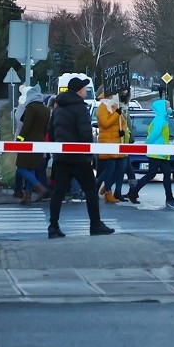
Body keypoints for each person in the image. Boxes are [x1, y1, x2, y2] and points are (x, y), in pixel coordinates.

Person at [47, 77, 115, 238]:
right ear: (79, 91)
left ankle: (53, 227)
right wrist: (89, 152)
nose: (85, 92)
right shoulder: (80, 108)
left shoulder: (57, 108)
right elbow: (85, 134)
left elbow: (51, 132)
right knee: (91, 190)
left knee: (58, 192)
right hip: (79, 158)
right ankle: (95, 225)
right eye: (84, 89)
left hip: (61, 158)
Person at [127, 99, 174, 205]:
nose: (170, 108)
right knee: (152, 174)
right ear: (162, 108)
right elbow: (153, 135)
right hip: (157, 153)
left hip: (162, 153)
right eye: (168, 106)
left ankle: (169, 197)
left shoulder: (163, 119)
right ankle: (133, 192)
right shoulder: (160, 120)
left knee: (165, 174)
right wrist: (148, 144)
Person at [14, 85, 51, 205]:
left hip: (28, 142)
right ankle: (27, 196)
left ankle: (39, 186)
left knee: (21, 167)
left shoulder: (30, 108)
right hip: (40, 142)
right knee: (32, 168)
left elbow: (26, 127)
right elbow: (46, 128)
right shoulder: (46, 109)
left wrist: (19, 140)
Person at [95, 91, 128, 204]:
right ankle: (107, 191)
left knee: (121, 167)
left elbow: (123, 122)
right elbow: (105, 123)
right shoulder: (102, 108)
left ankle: (104, 187)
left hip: (117, 142)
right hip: (107, 142)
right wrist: (116, 114)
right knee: (110, 167)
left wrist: (122, 131)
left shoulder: (114, 106)